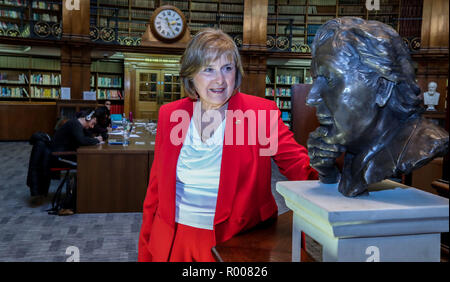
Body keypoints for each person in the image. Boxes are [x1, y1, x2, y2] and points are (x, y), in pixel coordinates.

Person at [138, 28, 318, 262]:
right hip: (175, 240)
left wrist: (337, 175)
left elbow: (300, 168)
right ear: (191, 75)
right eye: (208, 69)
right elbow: (155, 192)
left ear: (237, 72)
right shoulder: (170, 115)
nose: (220, 80)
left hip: (237, 242)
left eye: (227, 68)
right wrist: (145, 251)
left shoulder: (259, 115)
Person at [306, 17, 448, 197]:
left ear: (382, 87)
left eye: (330, 79)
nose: (311, 98)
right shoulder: (355, 144)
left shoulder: (424, 145)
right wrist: (327, 171)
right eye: (314, 80)